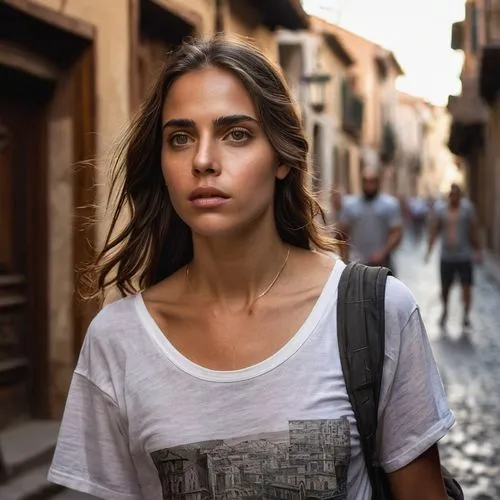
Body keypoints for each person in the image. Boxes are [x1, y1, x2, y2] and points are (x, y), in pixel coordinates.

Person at [48, 36, 454, 500]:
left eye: (236, 134)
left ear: (282, 157)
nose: (202, 161)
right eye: (179, 138)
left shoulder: (378, 312)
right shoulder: (117, 341)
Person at [426, 183, 482, 328]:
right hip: (447, 256)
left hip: (464, 256)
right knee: (445, 287)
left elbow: (473, 229)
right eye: (452, 195)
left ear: (460, 196)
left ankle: (466, 315)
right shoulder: (441, 210)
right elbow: (435, 229)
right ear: (449, 196)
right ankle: (445, 310)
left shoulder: (467, 210)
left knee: (466, 286)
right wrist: (429, 249)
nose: (454, 197)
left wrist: (477, 250)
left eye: (457, 194)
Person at [338, 165, 403, 272]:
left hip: (382, 264)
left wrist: (383, 251)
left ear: (378, 183)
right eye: (365, 181)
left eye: (372, 181)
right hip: (356, 263)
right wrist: (344, 257)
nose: (368, 185)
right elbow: (342, 233)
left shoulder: (390, 204)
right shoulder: (349, 205)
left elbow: (397, 233)